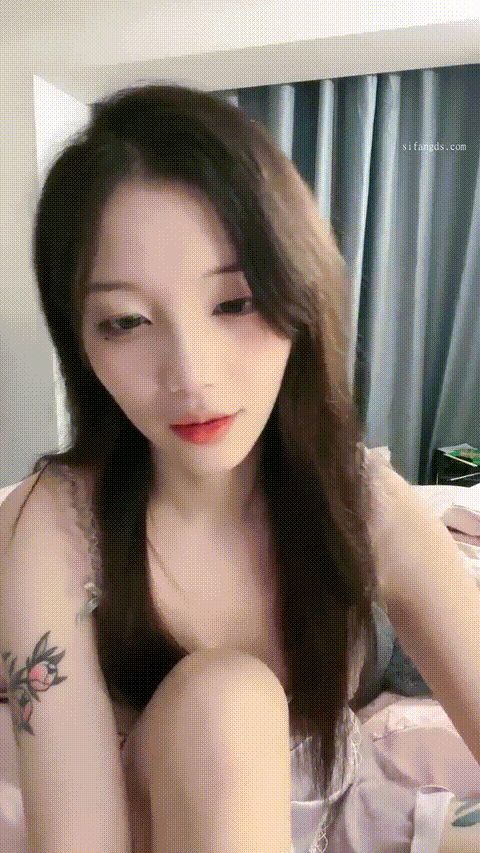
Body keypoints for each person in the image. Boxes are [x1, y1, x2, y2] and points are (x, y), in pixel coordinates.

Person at [1, 81, 480, 853]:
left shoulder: (360, 501)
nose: (191, 375)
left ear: (300, 293)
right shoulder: (53, 525)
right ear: (80, 343)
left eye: (235, 302)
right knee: (227, 699)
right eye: (125, 321)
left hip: (333, 820)